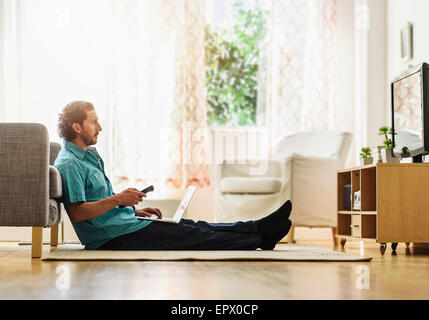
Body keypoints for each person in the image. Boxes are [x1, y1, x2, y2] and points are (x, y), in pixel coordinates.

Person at [54, 101, 292, 251]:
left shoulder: (88, 157)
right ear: (77, 127)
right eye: (94, 122)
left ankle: (257, 227)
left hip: (124, 224)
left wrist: (130, 210)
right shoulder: (70, 163)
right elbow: (78, 212)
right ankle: (260, 239)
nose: (100, 127)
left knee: (191, 224)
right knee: (193, 236)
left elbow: (98, 204)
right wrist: (118, 200)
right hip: (111, 237)